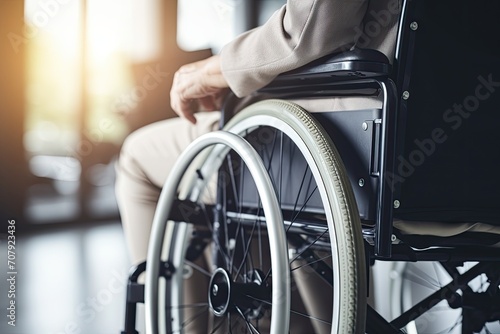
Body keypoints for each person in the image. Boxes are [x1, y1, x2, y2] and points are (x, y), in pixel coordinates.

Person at [116, 0, 402, 266]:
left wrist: (214, 71)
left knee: (136, 155)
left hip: (345, 135)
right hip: (420, 163)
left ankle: (173, 318)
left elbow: (305, 31)